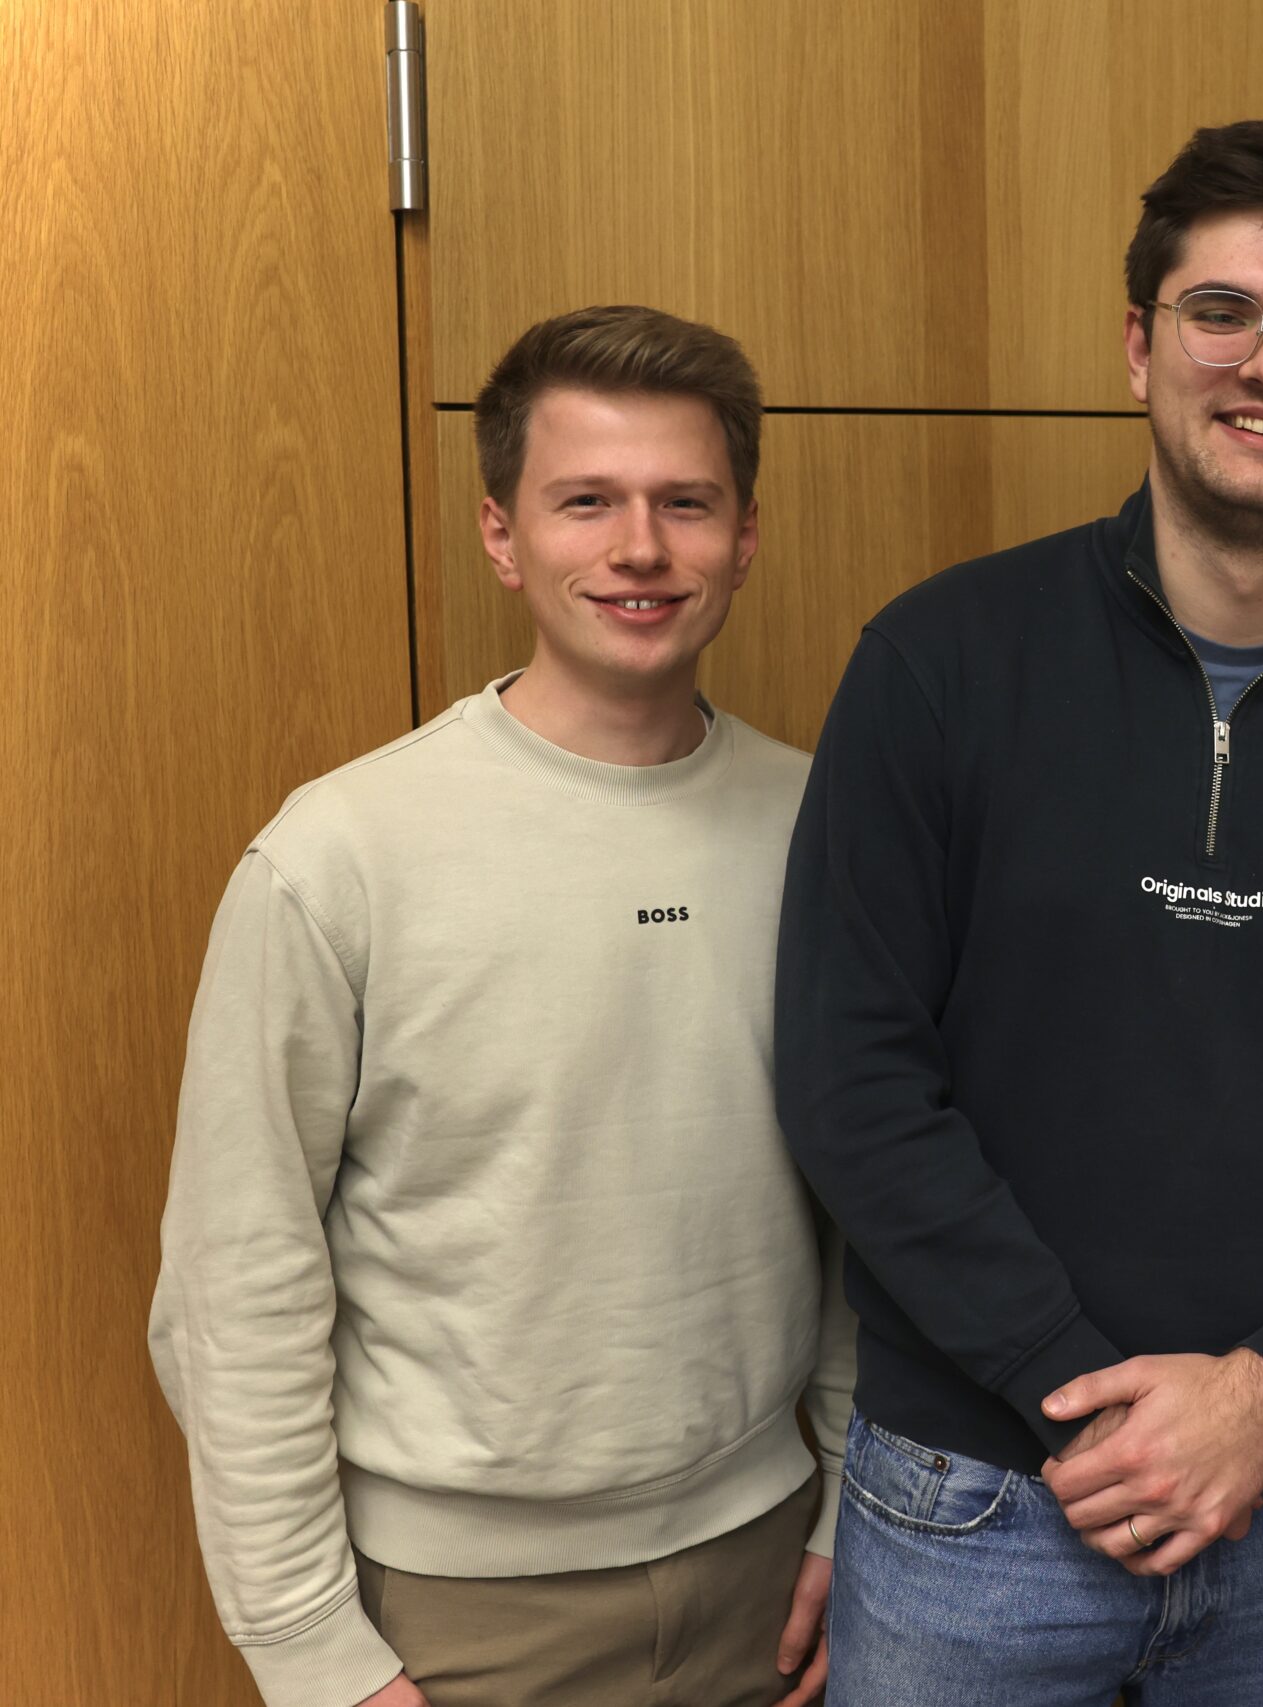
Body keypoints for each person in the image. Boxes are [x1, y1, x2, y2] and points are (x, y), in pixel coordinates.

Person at [776, 112, 1263, 1705]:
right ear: (1139, 346)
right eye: (1224, 312)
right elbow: (852, 1076)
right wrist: (1091, 1403)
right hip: (972, 1504)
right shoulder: (939, 663)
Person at [149, 305, 857, 1707]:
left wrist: (854, 1517)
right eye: (585, 501)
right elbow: (237, 1277)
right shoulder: (340, 855)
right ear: (501, 534)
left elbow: (864, 1217)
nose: (640, 547)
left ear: (745, 537)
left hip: (769, 1574)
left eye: (686, 502)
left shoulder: (827, 832)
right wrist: (310, 1649)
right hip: (452, 1619)